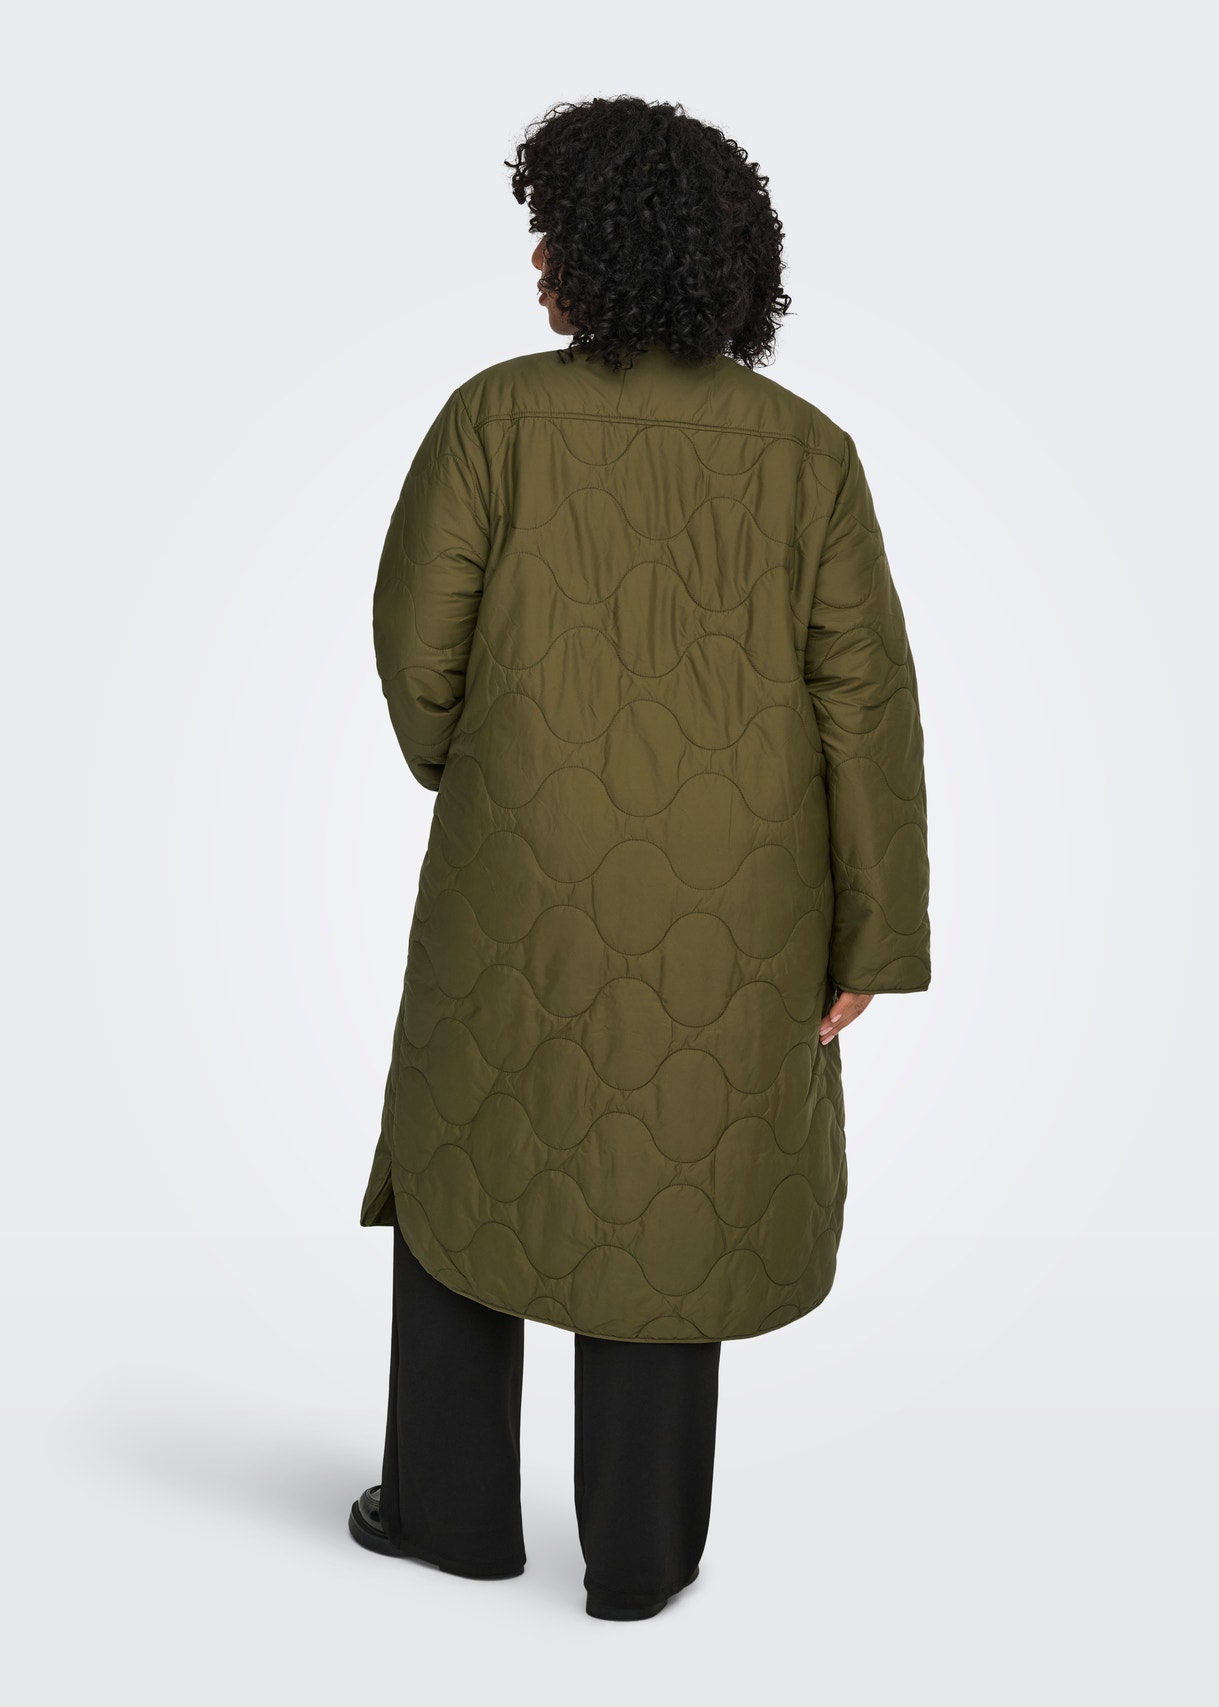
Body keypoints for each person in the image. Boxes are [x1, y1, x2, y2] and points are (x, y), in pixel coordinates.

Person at [348, 94, 932, 1620]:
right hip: (745, 902)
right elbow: (867, 705)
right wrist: (872, 937)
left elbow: (416, 647)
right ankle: (642, 1559)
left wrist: (481, 770)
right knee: (672, 1188)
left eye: (551, 234)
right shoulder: (810, 456)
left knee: (474, 1159)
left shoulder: (495, 419)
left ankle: (451, 1516)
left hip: (519, 874)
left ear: (598, 256)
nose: (538, 262)